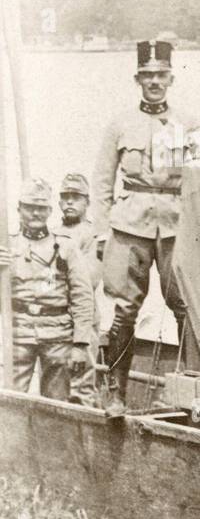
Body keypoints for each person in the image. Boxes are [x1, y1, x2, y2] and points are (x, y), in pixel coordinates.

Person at [93, 40, 200, 415]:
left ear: (171, 78)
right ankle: (116, 391)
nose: (154, 81)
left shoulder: (190, 124)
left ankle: (193, 393)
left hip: (176, 225)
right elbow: (102, 181)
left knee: (185, 307)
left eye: (161, 75)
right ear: (137, 79)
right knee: (124, 309)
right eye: (147, 75)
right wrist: (99, 231)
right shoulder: (120, 124)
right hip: (130, 225)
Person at [0, 180, 96, 400]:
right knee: (9, 402)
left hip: (57, 335)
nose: (35, 213)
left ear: (50, 211)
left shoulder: (66, 247)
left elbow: (82, 297)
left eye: (41, 208)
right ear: (19, 209)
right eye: (29, 207)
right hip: (18, 334)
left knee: (57, 406)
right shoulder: (7, 246)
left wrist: (80, 344)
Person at [54, 172, 101, 406]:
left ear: (87, 202)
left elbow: (89, 280)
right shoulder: (51, 232)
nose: (70, 202)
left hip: (80, 318)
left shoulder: (94, 235)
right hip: (53, 321)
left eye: (76, 197)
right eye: (65, 196)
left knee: (81, 386)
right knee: (54, 384)